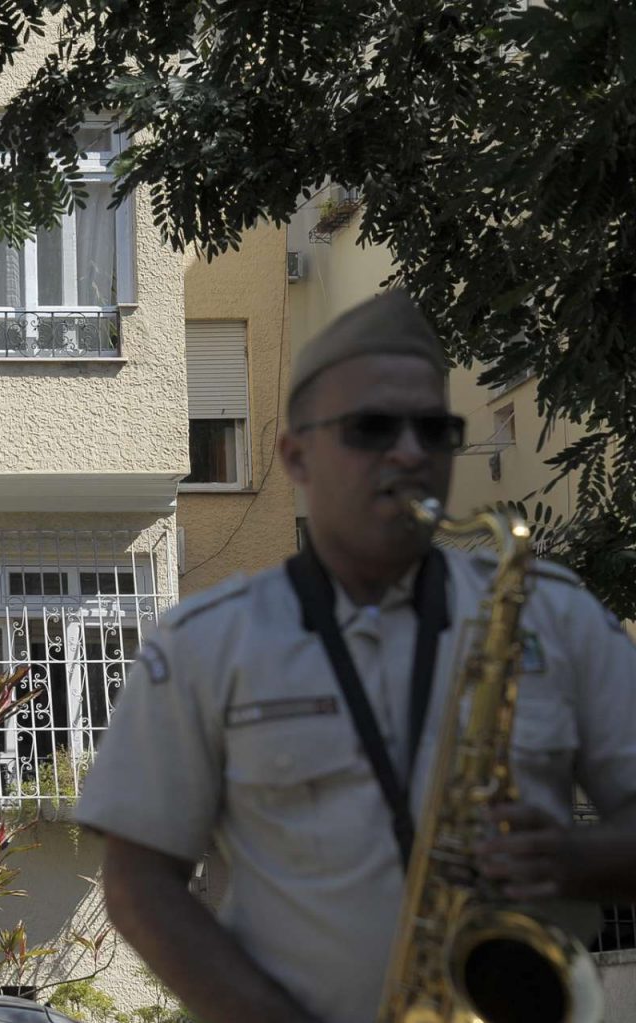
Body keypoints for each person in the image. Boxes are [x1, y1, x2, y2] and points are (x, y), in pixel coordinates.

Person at [76, 291, 636, 1023]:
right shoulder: (204, 642)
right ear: (295, 455)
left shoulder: (554, 613)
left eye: (434, 430)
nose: (410, 452)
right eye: (373, 428)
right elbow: (138, 881)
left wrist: (572, 858)